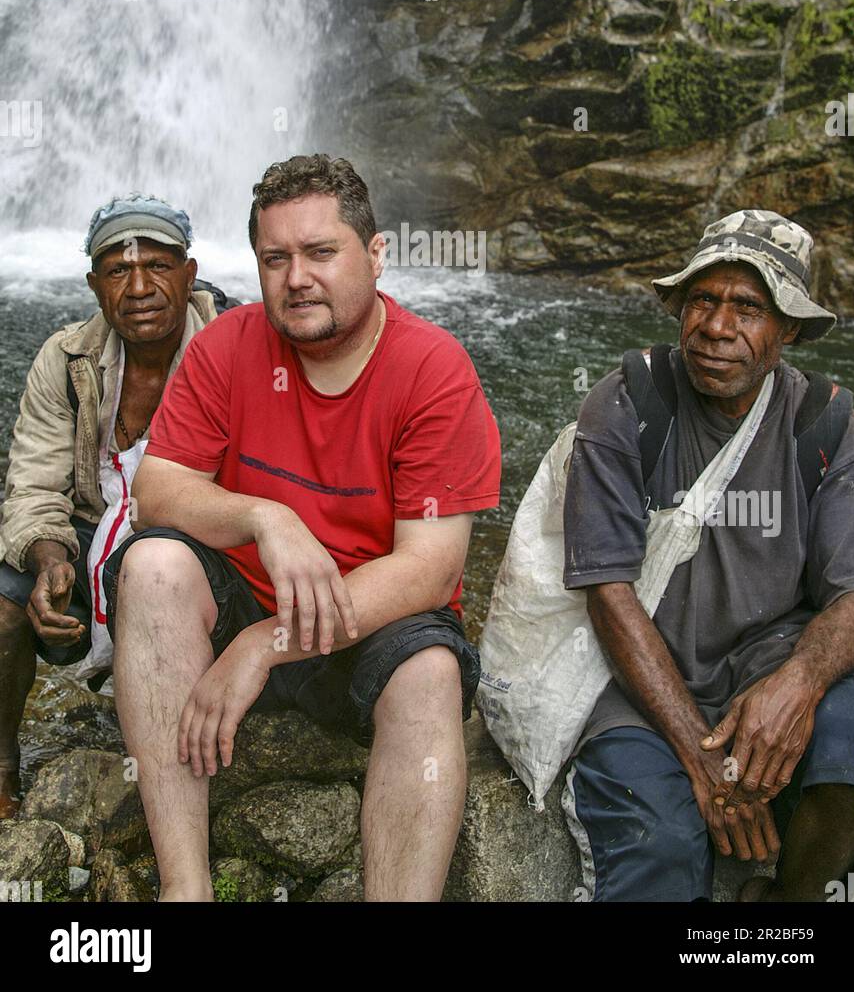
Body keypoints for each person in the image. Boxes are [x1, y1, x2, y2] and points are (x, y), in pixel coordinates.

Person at [105, 153, 501, 902]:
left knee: (430, 673)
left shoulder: (434, 370)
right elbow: (157, 491)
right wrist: (263, 514)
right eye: (275, 258)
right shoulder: (226, 344)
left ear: (376, 255)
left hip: (367, 624)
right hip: (247, 595)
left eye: (322, 252)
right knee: (152, 567)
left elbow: (432, 571)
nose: (297, 278)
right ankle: (185, 890)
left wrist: (269, 644)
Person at [562, 209, 854, 902]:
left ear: (788, 330)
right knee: (660, 847)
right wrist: (705, 763)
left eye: (748, 308)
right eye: (704, 299)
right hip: (634, 686)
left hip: (768, 668)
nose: (718, 328)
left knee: (849, 756)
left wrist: (799, 684)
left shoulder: (829, 425)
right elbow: (608, 593)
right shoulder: (628, 405)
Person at [0, 195, 227, 819]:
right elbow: (34, 489)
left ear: (190, 271)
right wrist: (49, 560)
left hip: (197, 544)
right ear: (94, 283)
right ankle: (2, 769)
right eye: (118, 270)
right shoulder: (65, 359)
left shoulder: (239, 350)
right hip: (92, 532)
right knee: (1, 601)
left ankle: (193, 763)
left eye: (158, 265)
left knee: (157, 572)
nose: (140, 287)